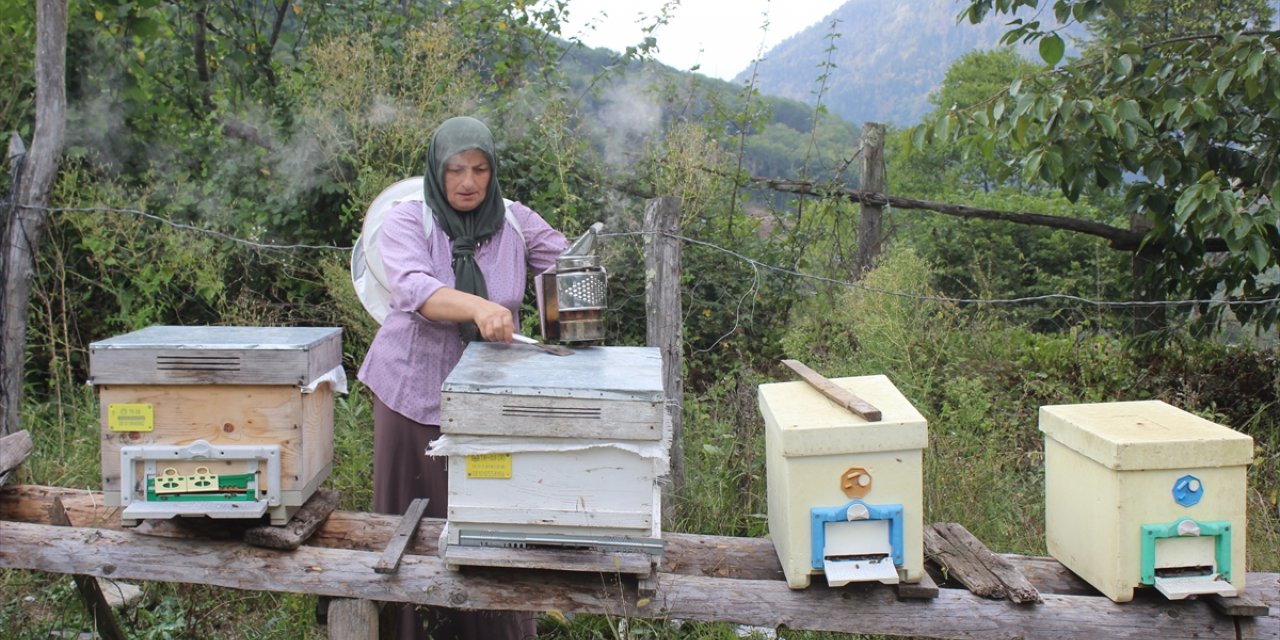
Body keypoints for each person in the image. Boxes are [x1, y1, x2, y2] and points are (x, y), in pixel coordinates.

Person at [357, 116, 568, 640]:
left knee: (494, 519)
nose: (467, 182)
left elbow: (567, 261)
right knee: (412, 522)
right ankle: (409, 629)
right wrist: (478, 306)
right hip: (412, 393)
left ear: (493, 172)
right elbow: (414, 288)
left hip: (492, 399)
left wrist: (565, 318)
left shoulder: (514, 222)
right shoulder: (409, 220)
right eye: (455, 169)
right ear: (437, 170)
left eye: (479, 169)